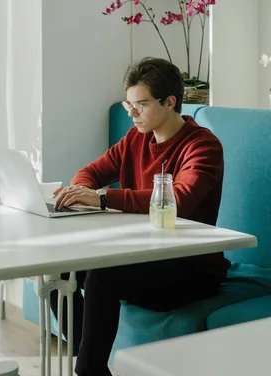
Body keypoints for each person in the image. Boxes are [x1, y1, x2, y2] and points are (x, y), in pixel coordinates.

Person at [51, 57, 230, 376]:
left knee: (103, 275)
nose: (132, 113)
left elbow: (178, 199)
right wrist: (80, 191)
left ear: (170, 102)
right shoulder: (136, 138)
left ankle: (88, 370)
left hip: (190, 266)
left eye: (141, 105)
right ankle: (89, 359)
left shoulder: (203, 146)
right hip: (140, 252)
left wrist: (103, 198)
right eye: (129, 104)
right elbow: (91, 172)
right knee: (55, 267)